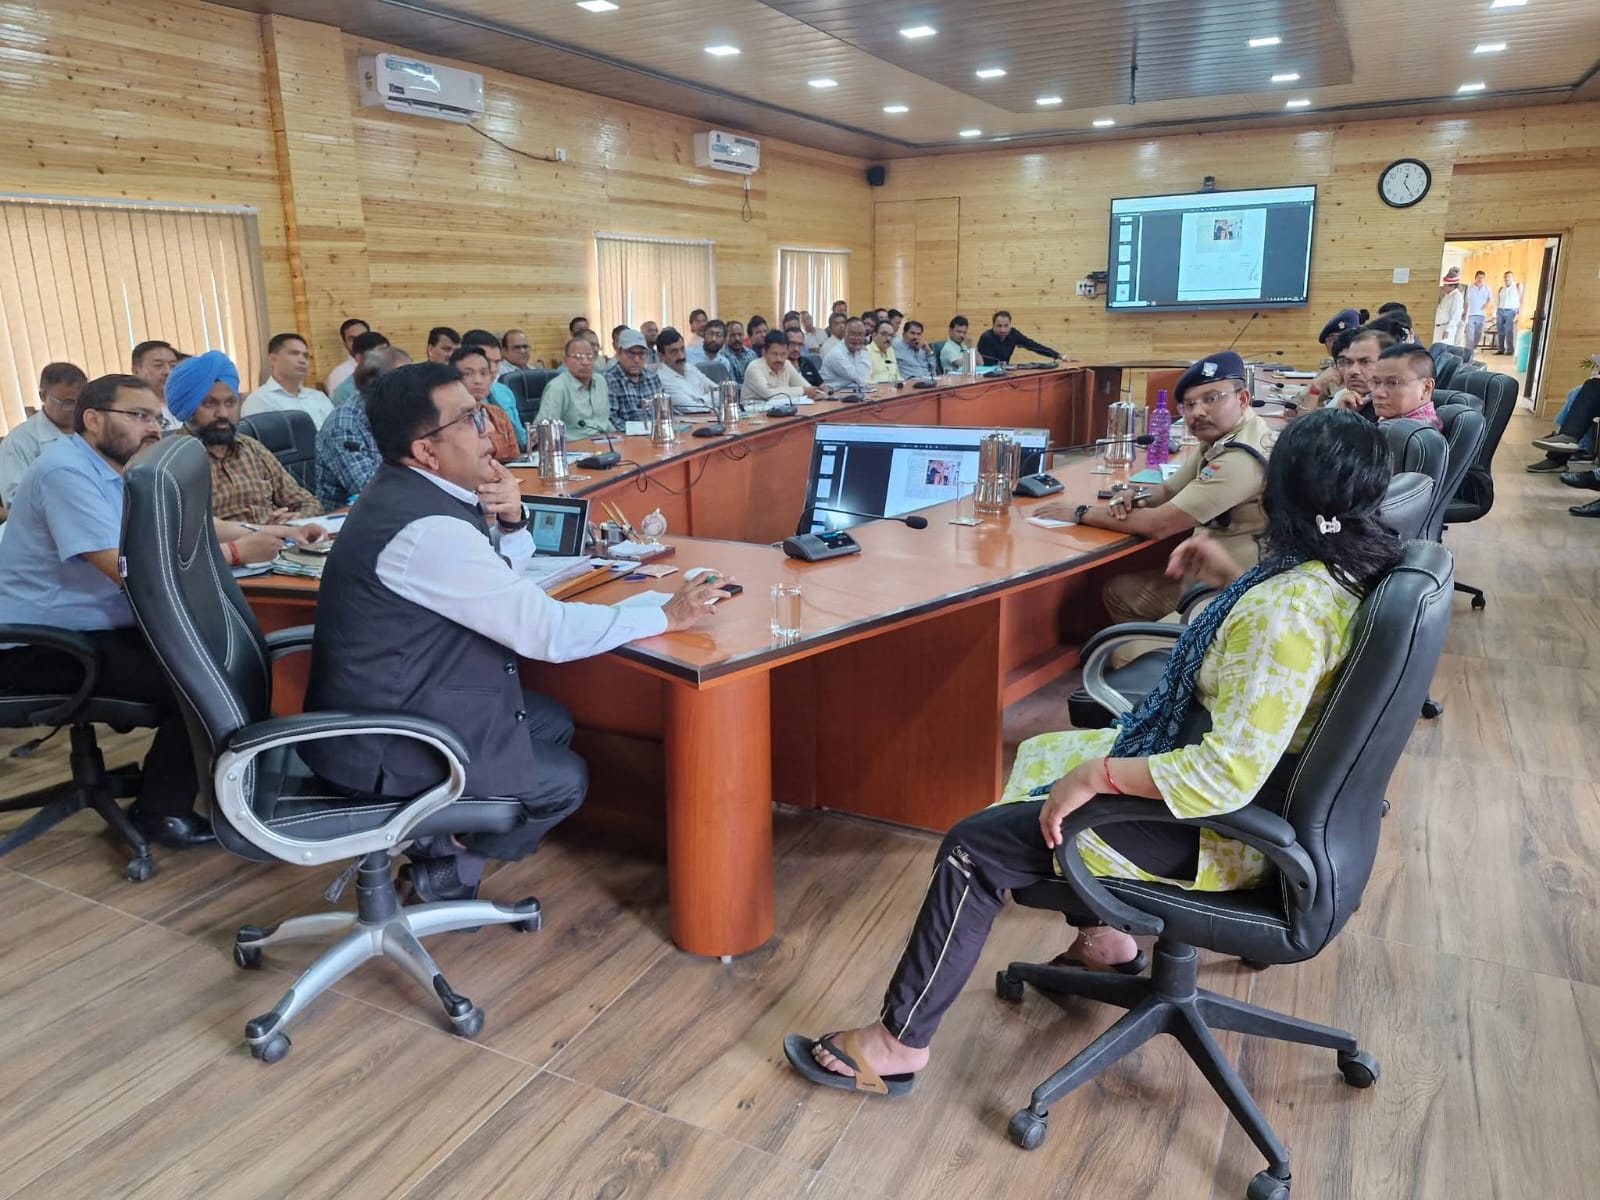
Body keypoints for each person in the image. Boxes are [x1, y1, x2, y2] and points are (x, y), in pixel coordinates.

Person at [782, 407, 1404, 1096]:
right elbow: (1262, 669)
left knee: (974, 847)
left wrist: (1100, 775)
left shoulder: (1283, 611)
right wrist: (1225, 575)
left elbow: (1225, 773)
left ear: (1276, 492)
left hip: (1225, 829)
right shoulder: (1337, 573)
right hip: (1276, 806)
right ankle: (1105, 941)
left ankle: (897, 1044)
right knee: (1046, 752)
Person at [300, 362, 738, 900]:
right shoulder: (426, 530)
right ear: (426, 451)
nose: (489, 431)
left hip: (400, 700)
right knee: (564, 781)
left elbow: (484, 587)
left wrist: (511, 523)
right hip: (385, 742)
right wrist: (666, 616)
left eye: (482, 413)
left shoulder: (411, 495)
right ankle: (448, 866)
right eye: (469, 420)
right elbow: (545, 632)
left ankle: (444, 843)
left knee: (550, 722)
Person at [0, 375, 320, 852]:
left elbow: (189, 521)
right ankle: (161, 813)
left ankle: (235, 792)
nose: (154, 428)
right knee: (199, 682)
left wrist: (267, 532)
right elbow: (128, 571)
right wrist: (237, 553)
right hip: (40, 644)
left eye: (157, 418)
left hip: (96, 628)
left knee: (224, 663)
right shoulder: (64, 473)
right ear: (93, 420)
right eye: (139, 416)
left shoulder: (117, 467)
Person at [1039, 351, 1271, 626]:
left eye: (1212, 398)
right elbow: (1168, 491)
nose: (1198, 412)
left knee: (1121, 594)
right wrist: (1135, 495)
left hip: (1231, 588)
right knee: (1123, 586)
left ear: (1242, 398)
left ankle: (1171, 650)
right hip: (1226, 571)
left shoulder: (1240, 458)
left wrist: (1080, 512)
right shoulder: (1233, 435)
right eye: (1189, 404)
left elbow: (1159, 525)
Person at [172, 350, 326, 525]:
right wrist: (260, 531)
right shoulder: (173, 461)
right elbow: (185, 531)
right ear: (187, 408)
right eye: (209, 403)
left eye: (230, 403)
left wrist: (294, 519)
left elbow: (308, 502)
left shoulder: (251, 448)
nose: (223, 413)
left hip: (280, 538)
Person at [316, 345, 410, 506]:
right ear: (377, 384)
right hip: (349, 515)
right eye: (404, 380)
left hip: (400, 503)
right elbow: (367, 486)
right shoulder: (343, 424)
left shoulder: (400, 412)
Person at [0, 362, 86, 506]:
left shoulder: (93, 428)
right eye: (67, 402)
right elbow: (15, 500)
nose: (74, 409)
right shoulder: (18, 442)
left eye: (81, 402)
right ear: (43, 395)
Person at [244, 332, 336, 429]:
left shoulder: (319, 397)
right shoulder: (259, 400)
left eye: (305, 356)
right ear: (273, 359)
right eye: (294, 353)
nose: (302, 360)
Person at [449, 345, 521, 461]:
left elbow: (515, 459)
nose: (478, 381)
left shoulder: (499, 415)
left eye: (483, 373)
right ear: (452, 379)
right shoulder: (446, 420)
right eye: (467, 374)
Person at [458, 330, 527, 450]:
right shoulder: (453, 399)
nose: (494, 369)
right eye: (487, 361)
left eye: (497, 362)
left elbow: (521, 439)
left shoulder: (505, 392)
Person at [538, 337, 615, 436]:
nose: (585, 362)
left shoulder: (600, 381)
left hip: (606, 439)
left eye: (590, 356)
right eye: (578, 357)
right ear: (565, 360)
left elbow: (604, 421)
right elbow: (545, 429)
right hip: (575, 443)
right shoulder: (557, 388)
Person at [1366, 344, 1444, 430]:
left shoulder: (1413, 432)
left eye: (1393, 383)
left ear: (1426, 388)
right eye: (1376, 382)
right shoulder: (1392, 422)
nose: (1378, 393)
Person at [745, 331, 826, 403]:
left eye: (783, 354)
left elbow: (808, 387)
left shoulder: (786, 364)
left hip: (781, 412)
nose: (779, 359)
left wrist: (818, 393)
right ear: (764, 352)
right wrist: (802, 391)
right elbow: (770, 394)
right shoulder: (754, 367)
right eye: (774, 354)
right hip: (753, 413)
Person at [603, 329, 663, 425]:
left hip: (655, 431)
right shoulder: (609, 381)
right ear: (619, 353)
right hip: (625, 433)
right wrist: (641, 429)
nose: (636, 360)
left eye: (641, 354)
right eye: (631, 354)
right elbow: (611, 420)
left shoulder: (653, 378)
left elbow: (663, 412)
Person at [656, 327, 718, 415]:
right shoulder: (661, 378)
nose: (681, 356)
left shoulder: (689, 367)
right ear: (661, 356)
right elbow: (692, 409)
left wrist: (701, 400)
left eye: (682, 349)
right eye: (674, 352)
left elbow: (720, 392)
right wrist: (711, 401)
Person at [330, 331, 391, 406]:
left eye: (387, 353)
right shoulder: (344, 392)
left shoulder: (396, 378)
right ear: (359, 358)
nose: (383, 359)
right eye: (377, 355)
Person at [977, 310, 1059, 365]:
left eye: (1006, 326)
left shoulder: (1013, 334)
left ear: (1010, 325)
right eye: (999, 326)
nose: (1003, 330)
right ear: (993, 326)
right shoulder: (986, 338)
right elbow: (987, 365)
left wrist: (1058, 355)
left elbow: (1033, 345)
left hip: (1004, 373)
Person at [131, 340, 179, 426]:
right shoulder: (131, 410)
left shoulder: (189, 403)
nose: (168, 372)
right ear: (136, 371)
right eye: (158, 365)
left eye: (173, 366)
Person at [324, 318, 370, 397]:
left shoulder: (385, 365)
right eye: (352, 339)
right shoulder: (339, 374)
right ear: (345, 343)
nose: (359, 342)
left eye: (363, 337)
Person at [821, 319, 871, 388]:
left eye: (860, 334)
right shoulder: (837, 354)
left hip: (851, 390)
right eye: (853, 334)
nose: (856, 338)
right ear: (844, 334)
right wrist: (863, 351)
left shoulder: (856, 349)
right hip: (833, 392)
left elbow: (866, 376)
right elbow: (861, 379)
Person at [1464, 271, 1492, 357]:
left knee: (1479, 334)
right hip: (1470, 314)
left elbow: (1490, 299)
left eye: (1482, 278)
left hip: (1481, 315)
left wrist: (1486, 304)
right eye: (1479, 277)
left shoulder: (1487, 288)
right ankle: (1468, 353)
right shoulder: (1469, 288)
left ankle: (1473, 348)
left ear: (1484, 279)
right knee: (1470, 336)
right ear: (1475, 278)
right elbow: (1465, 301)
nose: (1480, 279)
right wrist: (1465, 311)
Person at [1434, 269, 1465, 347]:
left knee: (1442, 350)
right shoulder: (1448, 295)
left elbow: (1455, 315)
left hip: (1446, 328)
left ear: (1452, 286)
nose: (1444, 287)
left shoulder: (1457, 296)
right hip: (1439, 327)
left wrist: (1448, 330)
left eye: (1445, 285)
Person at [1495, 271, 1522, 356]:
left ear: (1512, 278)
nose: (1507, 278)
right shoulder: (1501, 289)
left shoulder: (1517, 286)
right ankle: (1500, 349)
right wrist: (1495, 313)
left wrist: (1518, 312)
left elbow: (1520, 300)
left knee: (1508, 330)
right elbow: (1497, 301)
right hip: (1500, 310)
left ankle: (1510, 350)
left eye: (1509, 277)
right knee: (1500, 330)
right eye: (1505, 277)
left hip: (1511, 311)